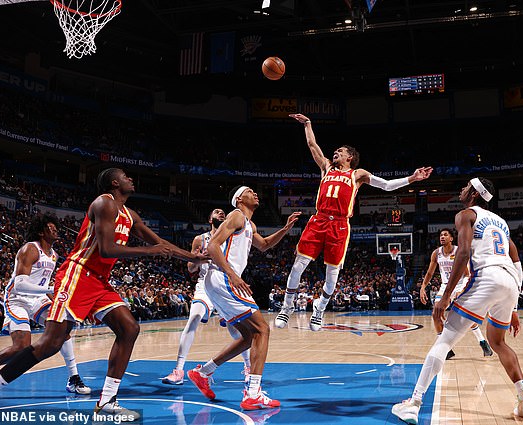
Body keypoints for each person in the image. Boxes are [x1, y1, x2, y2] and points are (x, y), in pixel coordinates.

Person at [0, 168, 198, 420]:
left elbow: (160, 243)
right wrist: (150, 252)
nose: (131, 179)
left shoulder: (130, 215)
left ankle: (107, 399)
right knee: (50, 343)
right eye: (126, 176)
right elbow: (107, 250)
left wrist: (196, 257)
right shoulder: (103, 203)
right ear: (115, 182)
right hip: (78, 274)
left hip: (99, 281)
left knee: (129, 328)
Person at [392, 177, 523, 424]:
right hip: (510, 281)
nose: (461, 189)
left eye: (465, 187)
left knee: (446, 337)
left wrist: (446, 295)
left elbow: (463, 252)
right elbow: (517, 263)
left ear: (474, 193)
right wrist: (513, 306)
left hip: (488, 276)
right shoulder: (502, 223)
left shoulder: (466, 215)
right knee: (499, 342)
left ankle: (413, 403)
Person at [276, 113, 433, 331]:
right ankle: (287, 307)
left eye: (340, 151)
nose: (336, 152)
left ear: (350, 156)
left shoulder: (357, 174)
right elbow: (312, 144)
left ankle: (320, 309)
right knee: (298, 265)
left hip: (339, 224)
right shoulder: (326, 167)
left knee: (332, 275)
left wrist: (412, 179)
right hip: (318, 220)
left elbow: (386, 185)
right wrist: (308, 124)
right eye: (336, 151)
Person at [187, 186, 300, 410]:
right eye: (249, 191)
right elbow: (212, 245)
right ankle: (253, 393)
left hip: (220, 281)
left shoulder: (249, 224)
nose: (255, 193)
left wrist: (286, 228)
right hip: (223, 277)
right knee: (263, 330)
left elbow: (265, 245)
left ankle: (203, 372)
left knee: (249, 336)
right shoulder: (236, 215)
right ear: (239, 199)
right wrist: (232, 275)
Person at [0, 215, 90, 395]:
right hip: (17, 299)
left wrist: (58, 299)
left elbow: (43, 285)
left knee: (62, 328)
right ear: (41, 231)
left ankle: (74, 378)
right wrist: (51, 289)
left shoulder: (54, 255)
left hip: (37, 299)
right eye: (50, 227)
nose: (55, 229)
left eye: (56, 227)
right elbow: (20, 284)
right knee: (21, 347)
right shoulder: (30, 249)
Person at [161, 208, 251, 385]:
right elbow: (190, 268)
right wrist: (198, 258)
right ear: (210, 219)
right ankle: (178, 371)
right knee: (194, 316)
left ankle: (248, 368)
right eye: (216, 212)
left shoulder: (232, 234)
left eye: (223, 212)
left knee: (236, 329)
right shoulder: (199, 239)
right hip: (206, 283)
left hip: (226, 283)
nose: (221, 213)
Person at [419, 228, 493, 359]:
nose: (442, 237)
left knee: (467, 317)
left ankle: (482, 342)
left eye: (445, 235)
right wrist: (423, 287)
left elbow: (466, 274)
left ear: (451, 238)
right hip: (445, 287)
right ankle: (446, 349)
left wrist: (462, 289)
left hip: (460, 284)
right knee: (436, 314)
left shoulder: (458, 251)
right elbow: (430, 273)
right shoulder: (436, 253)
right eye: (441, 235)